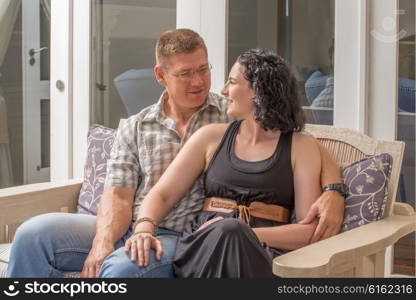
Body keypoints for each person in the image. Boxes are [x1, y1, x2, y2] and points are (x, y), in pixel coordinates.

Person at [6, 29, 344, 278]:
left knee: (124, 269)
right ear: (161, 76)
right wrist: (109, 239)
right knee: (32, 234)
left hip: (183, 236)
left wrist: (334, 190)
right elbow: (123, 195)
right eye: (185, 74)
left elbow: (303, 141)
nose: (201, 82)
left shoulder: (228, 113)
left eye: (204, 69)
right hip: (134, 226)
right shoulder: (137, 126)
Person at [126, 48, 324, 277]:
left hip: (263, 253)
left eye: (232, 82)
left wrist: (244, 234)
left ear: (258, 91)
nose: (223, 91)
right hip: (203, 248)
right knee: (229, 232)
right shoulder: (210, 136)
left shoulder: (301, 146)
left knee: (231, 230)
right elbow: (162, 194)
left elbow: (309, 230)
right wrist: (144, 229)